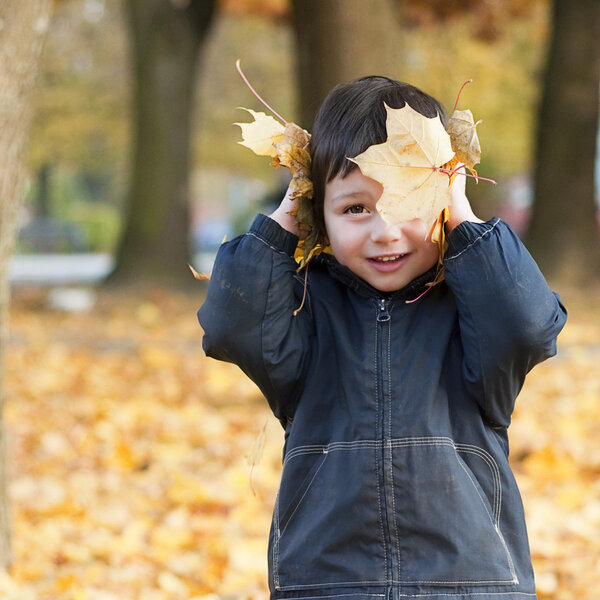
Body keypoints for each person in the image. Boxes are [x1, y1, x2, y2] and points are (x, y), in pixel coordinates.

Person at [198, 76, 567, 600]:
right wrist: (282, 221)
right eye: (355, 209)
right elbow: (230, 326)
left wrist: (463, 218)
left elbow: (529, 325)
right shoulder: (305, 310)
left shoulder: (471, 308)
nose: (385, 231)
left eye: (408, 202)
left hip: (466, 581)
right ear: (317, 215)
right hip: (326, 580)